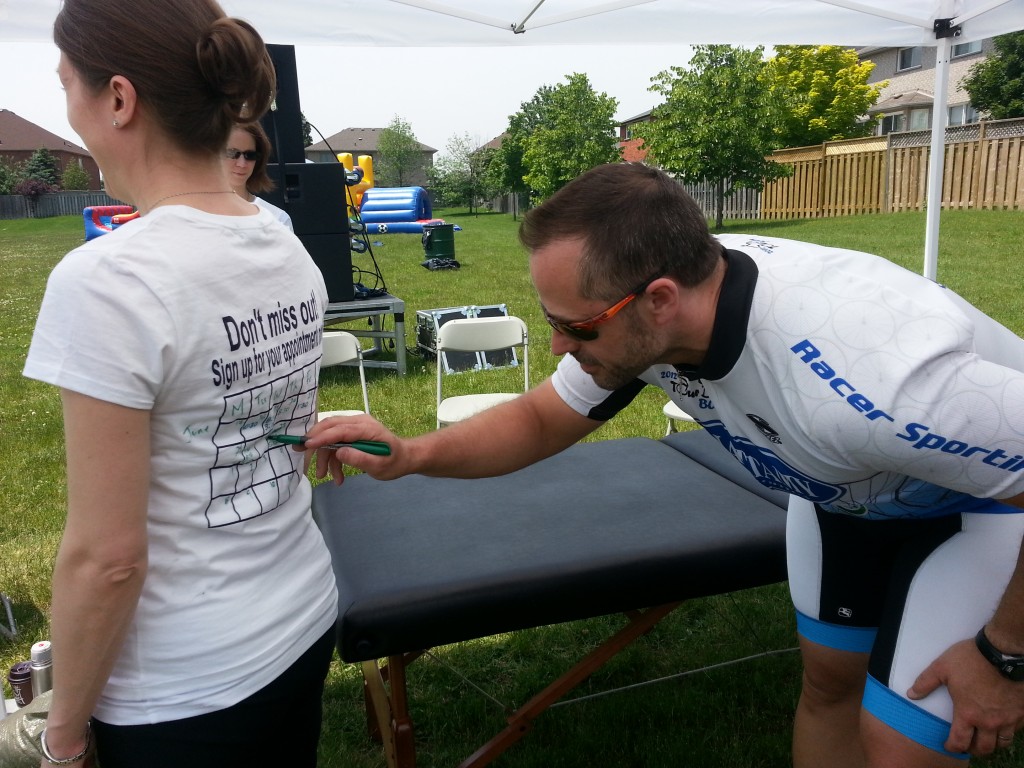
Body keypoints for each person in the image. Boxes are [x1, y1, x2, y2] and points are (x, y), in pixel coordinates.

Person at [305, 162, 1024, 767]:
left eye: (574, 327)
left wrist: (1005, 656)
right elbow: (538, 417)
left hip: (981, 507)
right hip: (849, 491)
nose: (558, 346)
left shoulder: (878, 383)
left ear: (659, 300)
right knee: (828, 687)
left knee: (898, 747)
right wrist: (410, 454)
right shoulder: (661, 306)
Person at [22, 1, 337, 766]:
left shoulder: (112, 280)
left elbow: (108, 557)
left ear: (120, 99)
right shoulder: (280, 239)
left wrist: (62, 736)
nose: (67, 110)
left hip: (181, 688)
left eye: (69, 85)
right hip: (301, 615)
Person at [223, 121, 294, 231]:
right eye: (232, 153)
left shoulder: (278, 220)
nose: (242, 164)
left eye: (250, 155)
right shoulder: (193, 215)